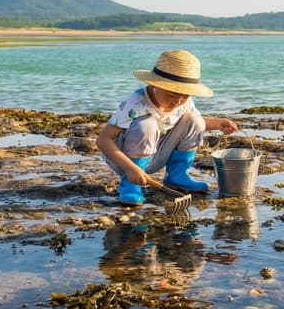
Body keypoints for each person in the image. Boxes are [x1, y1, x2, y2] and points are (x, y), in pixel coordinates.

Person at [97, 49, 238, 205]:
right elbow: (103, 140)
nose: (178, 101)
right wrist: (130, 169)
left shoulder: (183, 100)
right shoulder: (135, 103)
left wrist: (217, 123)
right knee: (147, 124)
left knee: (196, 119)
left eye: (185, 95)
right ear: (154, 84)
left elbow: (191, 124)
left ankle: (176, 176)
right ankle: (130, 186)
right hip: (124, 161)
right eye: (172, 94)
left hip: (156, 155)